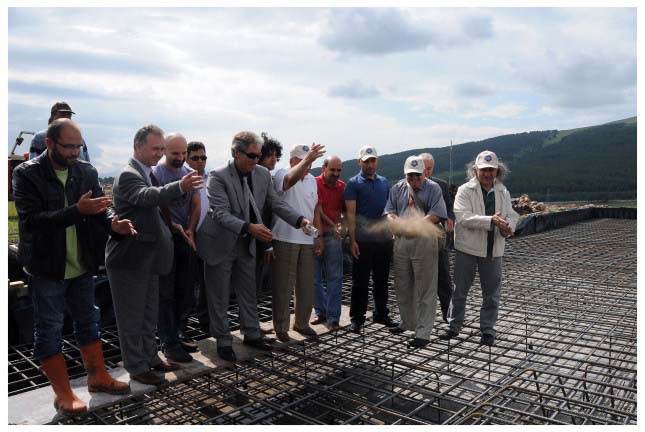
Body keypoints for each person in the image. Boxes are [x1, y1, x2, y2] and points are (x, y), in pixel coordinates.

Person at [12, 118, 134, 415]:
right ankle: (63, 393)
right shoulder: (26, 173)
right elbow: (32, 221)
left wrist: (114, 224)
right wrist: (76, 211)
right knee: (49, 329)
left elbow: (100, 209)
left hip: (81, 264)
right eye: (68, 146)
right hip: (47, 268)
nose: (75, 152)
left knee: (89, 320)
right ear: (50, 144)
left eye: (79, 146)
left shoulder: (85, 171)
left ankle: (98, 376)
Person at [195, 131, 310, 362]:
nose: (255, 160)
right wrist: (249, 227)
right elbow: (220, 213)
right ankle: (223, 340)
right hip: (220, 242)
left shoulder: (261, 174)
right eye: (251, 155)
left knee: (248, 291)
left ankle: (252, 334)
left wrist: (300, 220)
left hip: (246, 242)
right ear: (236, 153)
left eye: (258, 156)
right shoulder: (218, 176)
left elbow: (274, 202)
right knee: (219, 296)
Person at [105, 124, 203, 385]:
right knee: (132, 318)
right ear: (138, 147)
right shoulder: (129, 174)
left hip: (146, 258)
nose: (159, 153)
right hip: (130, 259)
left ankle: (151, 357)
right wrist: (180, 186)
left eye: (162, 148)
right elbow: (146, 197)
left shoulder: (146, 172)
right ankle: (137, 367)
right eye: (155, 148)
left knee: (148, 314)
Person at [441, 150, 519, 346]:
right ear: (475, 170)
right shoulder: (465, 190)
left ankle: (488, 330)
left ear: (497, 171)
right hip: (467, 248)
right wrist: (491, 221)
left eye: (491, 170)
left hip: (493, 249)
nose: (488, 174)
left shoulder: (503, 191)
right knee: (459, 290)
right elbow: (463, 217)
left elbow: (511, 214)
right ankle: (453, 325)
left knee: (492, 293)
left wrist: (508, 226)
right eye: (484, 170)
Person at [384, 156, 447, 348]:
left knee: (425, 287)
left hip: (424, 239)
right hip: (402, 240)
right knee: (402, 284)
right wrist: (395, 220)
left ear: (424, 173)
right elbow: (389, 211)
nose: (414, 179)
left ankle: (423, 332)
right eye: (410, 175)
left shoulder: (433, 188)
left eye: (417, 175)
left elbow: (437, 214)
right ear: (405, 174)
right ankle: (407, 322)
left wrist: (416, 224)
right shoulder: (397, 188)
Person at [152, 133, 201, 363]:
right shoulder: (156, 174)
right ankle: (168, 341)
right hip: (165, 238)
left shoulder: (189, 173)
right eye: (175, 153)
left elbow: (196, 203)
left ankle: (179, 332)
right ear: (164, 151)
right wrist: (173, 226)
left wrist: (190, 228)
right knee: (166, 292)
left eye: (183, 153)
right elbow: (156, 206)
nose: (180, 157)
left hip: (185, 237)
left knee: (185, 289)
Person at [271, 143, 325, 342]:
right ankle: (281, 327)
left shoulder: (311, 180)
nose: (307, 165)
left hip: (307, 239)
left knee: (306, 284)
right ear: (292, 161)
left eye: (310, 162)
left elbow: (315, 208)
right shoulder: (281, 174)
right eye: (303, 161)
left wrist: (318, 236)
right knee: (283, 286)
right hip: (285, 237)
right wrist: (308, 159)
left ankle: (302, 323)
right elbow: (288, 182)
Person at [344, 145, 398, 333]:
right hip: (363, 240)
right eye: (366, 161)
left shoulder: (384, 182)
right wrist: (352, 240)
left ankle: (381, 314)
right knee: (360, 281)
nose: (370, 164)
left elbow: (389, 210)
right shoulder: (353, 183)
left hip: (383, 239)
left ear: (377, 161)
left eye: (373, 161)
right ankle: (357, 318)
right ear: (360, 162)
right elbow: (351, 215)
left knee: (382, 279)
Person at [418, 153, 456, 322]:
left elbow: (448, 207)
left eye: (429, 168)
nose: (426, 172)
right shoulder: (408, 185)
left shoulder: (441, 185)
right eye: (423, 168)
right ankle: (420, 317)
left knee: (444, 277)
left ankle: (449, 315)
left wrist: (450, 218)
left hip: (438, 239)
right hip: (417, 240)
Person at [312, 156, 346, 332]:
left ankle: (333, 318)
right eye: (332, 169)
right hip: (315, 235)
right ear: (323, 168)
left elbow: (346, 210)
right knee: (314, 278)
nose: (336, 173)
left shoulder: (342, 186)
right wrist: (334, 225)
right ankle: (321, 312)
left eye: (339, 170)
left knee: (335, 278)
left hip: (333, 237)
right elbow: (318, 210)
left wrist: (342, 225)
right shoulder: (314, 183)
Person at [186, 141, 210, 332]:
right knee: (186, 286)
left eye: (203, 157)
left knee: (207, 284)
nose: (200, 161)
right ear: (186, 159)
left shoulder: (212, 180)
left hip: (207, 239)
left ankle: (206, 323)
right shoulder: (182, 181)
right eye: (195, 158)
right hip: (187, 238)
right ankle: (182, 327)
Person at [255, 132, 283, 294]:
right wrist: (266, 245)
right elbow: (259, 214)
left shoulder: (269, 179)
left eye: (275, 155)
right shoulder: (256, 179)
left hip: (267, 237)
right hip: (258, 239)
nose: (273, 159)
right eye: (269, 155)